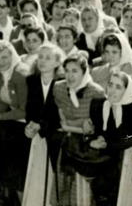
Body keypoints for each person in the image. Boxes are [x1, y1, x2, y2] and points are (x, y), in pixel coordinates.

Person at [52, 51, 105, 206]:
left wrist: (69, 125)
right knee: (62, 188)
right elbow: (60, 119)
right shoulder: (59, 88)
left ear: (84, 71)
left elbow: (93, 127)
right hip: (66, 146)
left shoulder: (96, 92)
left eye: (75, 71)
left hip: (86, 149)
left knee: (81, 192)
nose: (70, 75)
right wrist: (77, 124)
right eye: (67, 71)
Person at [88, 69, 132, 206]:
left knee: (107, 180)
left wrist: (107, 144)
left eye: (118, 87)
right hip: (102, 156)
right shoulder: (98, 104)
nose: (112, 90)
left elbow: (131, 138)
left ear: (126, 90)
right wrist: (94, 140)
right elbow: (93, 132)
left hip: (123, 157)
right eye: (111, 85)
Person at [0, 40, 31, 203]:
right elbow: (1, 101)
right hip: (11, 118)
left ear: (12, 56)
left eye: (5, 57)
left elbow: (25, 110)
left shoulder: (21, 74)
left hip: (27, 121)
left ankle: (21, 197)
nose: (1, 62)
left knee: (16, 157)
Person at [23, 43, 65, 206]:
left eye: (48, 58)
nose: (43, 61)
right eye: (40, 57)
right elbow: (30, 108)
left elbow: (58, 113)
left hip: (54, 132)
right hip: (38, 133)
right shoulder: (32, 80)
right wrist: (30, 125)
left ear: (56, 62)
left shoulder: (62, 82)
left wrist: (41, 125)